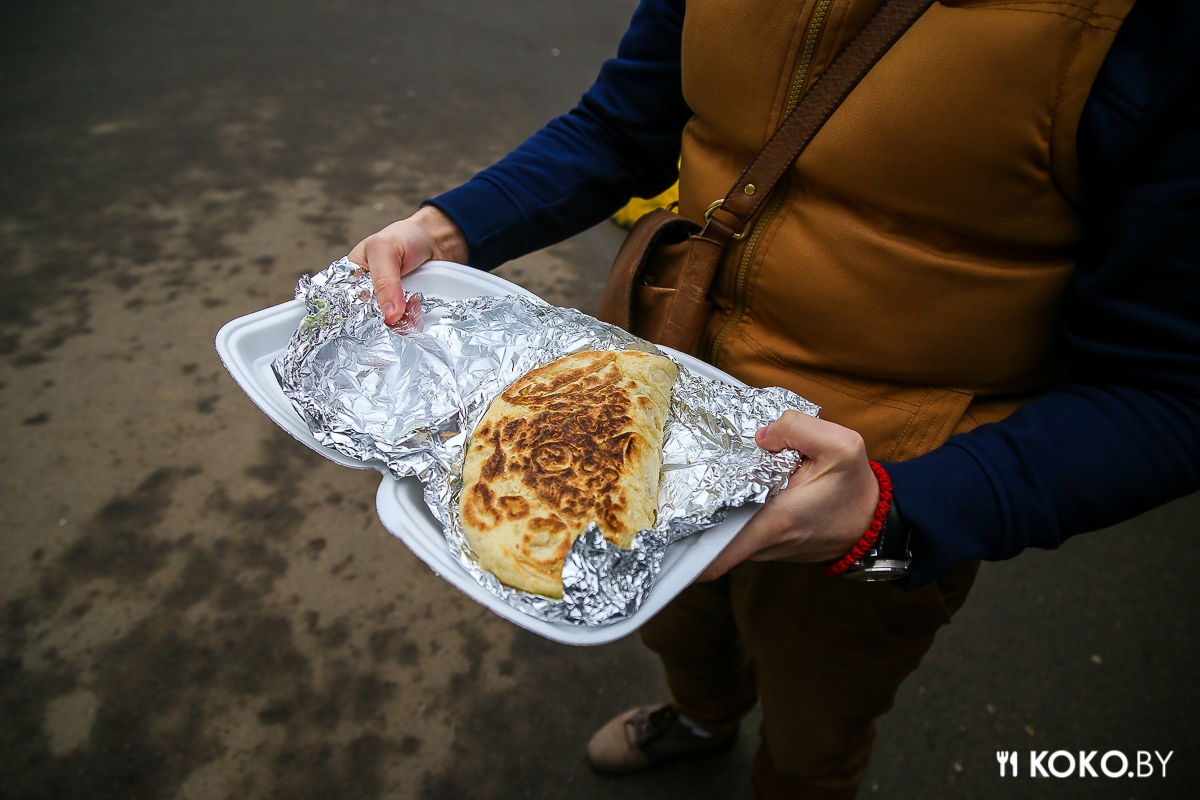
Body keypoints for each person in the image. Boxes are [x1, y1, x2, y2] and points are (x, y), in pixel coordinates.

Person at [348, 0, 1200, 796]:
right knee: (675, 625)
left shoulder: (1155, 26)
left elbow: (1168, 391)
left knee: (820, 708)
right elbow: (624, 121)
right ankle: (700, 716)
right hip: (656, 400)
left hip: (886, 468)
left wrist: (906, 511)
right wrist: (450, 226)